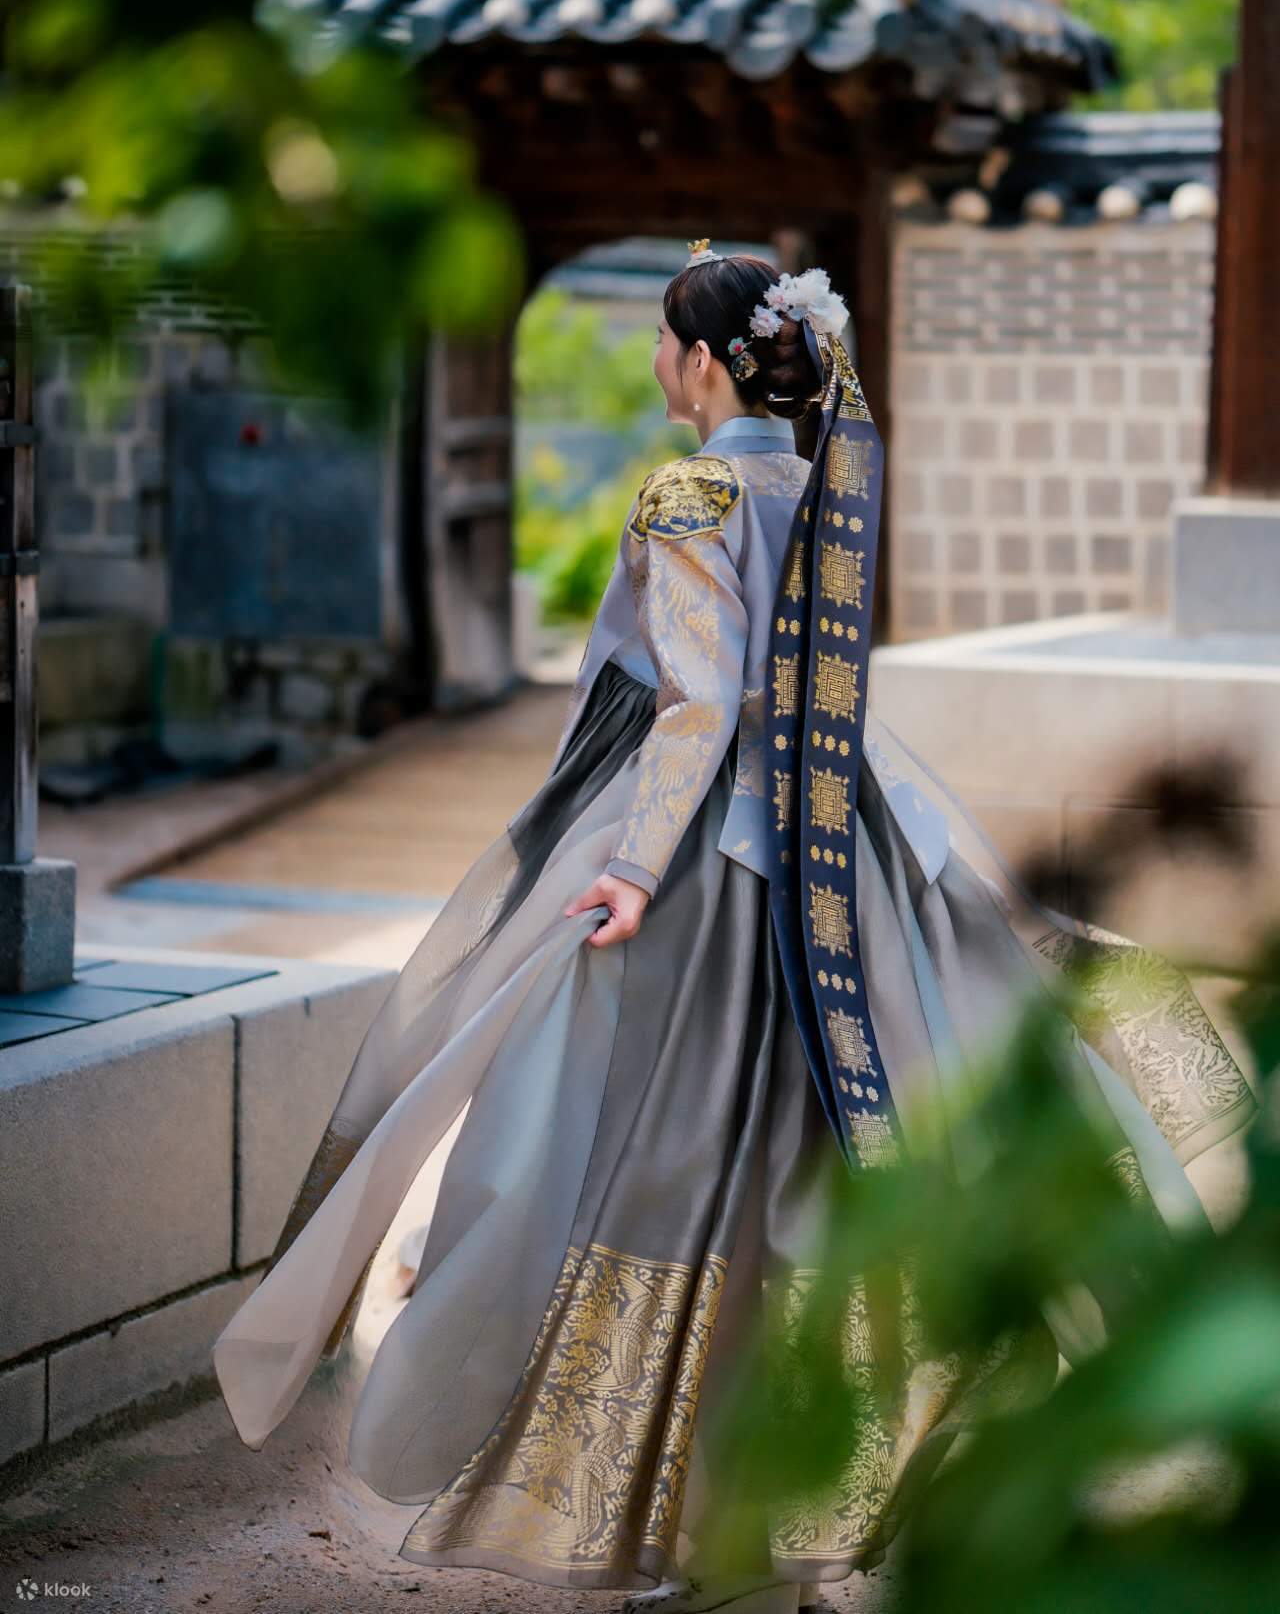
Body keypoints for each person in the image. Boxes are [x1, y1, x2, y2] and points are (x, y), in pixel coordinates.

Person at [212, 243, 1255, 1614]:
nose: (658, 361)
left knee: (658, 1160)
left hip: (717, 860)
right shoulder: (814, 481)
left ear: (703, 362)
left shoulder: (693, 490)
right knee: (807, 1167)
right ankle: (810, 1507)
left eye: (665, 340)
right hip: (838, 834)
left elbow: (697, 703)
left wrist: (634, 870)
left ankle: (710, 1524)